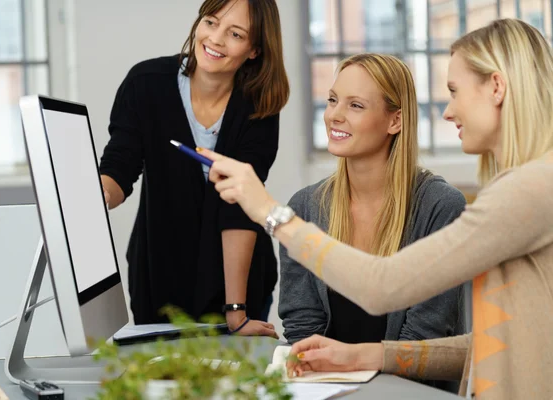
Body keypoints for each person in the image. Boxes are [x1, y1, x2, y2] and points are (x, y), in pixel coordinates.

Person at [200, 18, 553, 399]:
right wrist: (361, 356)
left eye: (454, 91)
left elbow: (382, 286)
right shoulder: (530, 186)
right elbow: (486, 347)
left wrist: (269, 211)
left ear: (496, 87)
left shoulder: (528, 190)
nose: (448, 112)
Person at [99, 0, 289, 338]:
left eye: (235, 33)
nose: (215, 39)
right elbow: (119, 167)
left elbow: (240, 208)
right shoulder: (146, 83)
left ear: (254, 49)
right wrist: (98, 196)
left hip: (239, 285)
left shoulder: (259, 104)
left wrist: (236, 311)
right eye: (211, 22)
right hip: (159, 278)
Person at [278, 54, 466, 352]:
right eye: (332, 100)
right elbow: (302, 325)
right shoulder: (304, 207)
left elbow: (424, 335)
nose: (334, 115)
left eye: (355, 105)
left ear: (395, 120)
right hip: (327, 386)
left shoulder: (440, 206)